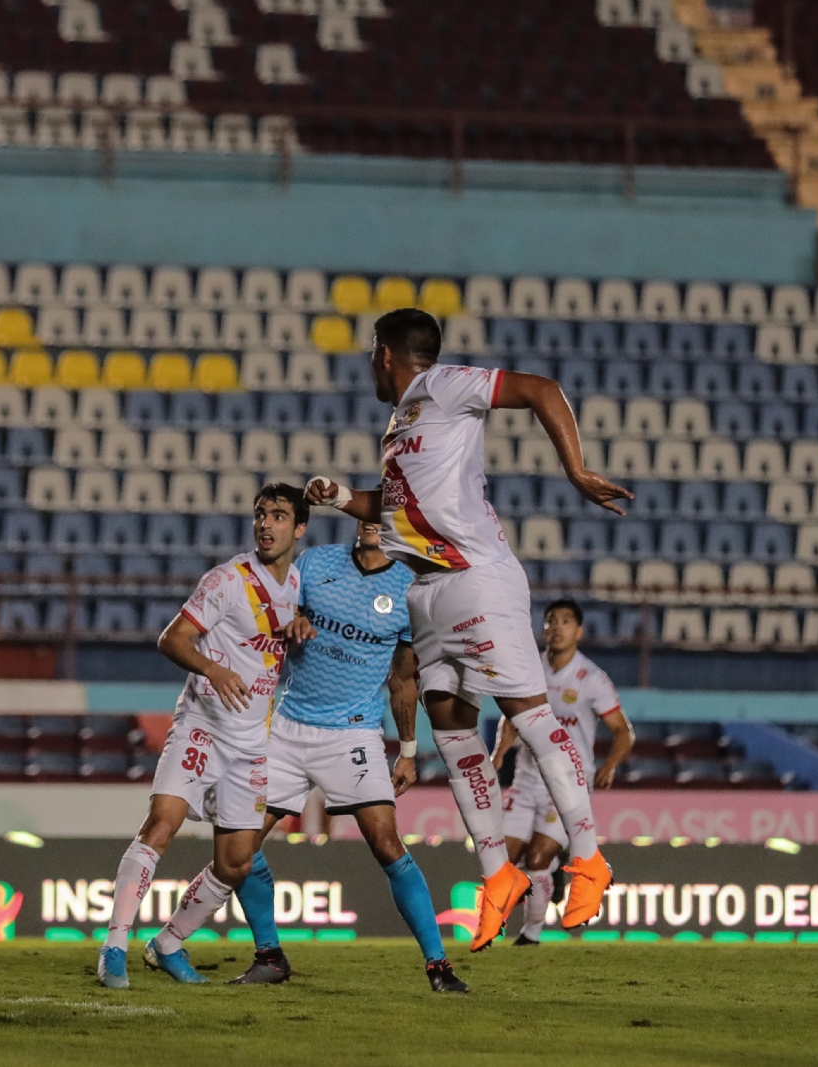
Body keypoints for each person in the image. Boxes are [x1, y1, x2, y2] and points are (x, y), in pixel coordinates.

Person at [306, 307, 632, 952]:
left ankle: (590, 859)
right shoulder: (400, 423)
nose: (371, 363)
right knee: (452, 728)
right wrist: (342, 497)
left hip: (477, 576)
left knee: (530, 714)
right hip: (425, 588)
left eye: (374, 353)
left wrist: (575, 469)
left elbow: (540, 389)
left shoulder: (446, 385)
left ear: (387, 355)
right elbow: (395, 509)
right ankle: (498, 877)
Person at [229, 520, 469, 994]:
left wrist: (406, 751)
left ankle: (438, 965)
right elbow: (274, 616)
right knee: (239, 846)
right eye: (366, 514)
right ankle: (269, 955)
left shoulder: (408, 588)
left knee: (385, 841)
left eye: (384, 516)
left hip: (353, 734)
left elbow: (404, 680)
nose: (373, 524)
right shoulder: (316, 563)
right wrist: (289, 622)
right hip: (290, 727)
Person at [97, 485, 306, 990]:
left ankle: (167, 944)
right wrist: (214, 669)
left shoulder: (301, 583)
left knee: (235, 863)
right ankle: (114, 946)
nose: (266, 524)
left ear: (299, 528)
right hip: (203, 727)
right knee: (162, 824)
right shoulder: (228, 580)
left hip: (252, 741)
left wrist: (304, 625)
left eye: (279, 516)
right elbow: (171, 638)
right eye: (260, 514)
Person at [491, 597, 633, 945]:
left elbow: (623, 731)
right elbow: (511, 718)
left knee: (536, 858)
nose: (556, 627)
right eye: (551, 620)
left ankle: (532, 933)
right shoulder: (529, 669)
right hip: (526, 779)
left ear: (579, 631)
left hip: (568, 784)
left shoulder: (591, 678)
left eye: (566, 621)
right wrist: (498, 756)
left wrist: (610, 766)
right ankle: (552, 877)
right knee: (503, 859)